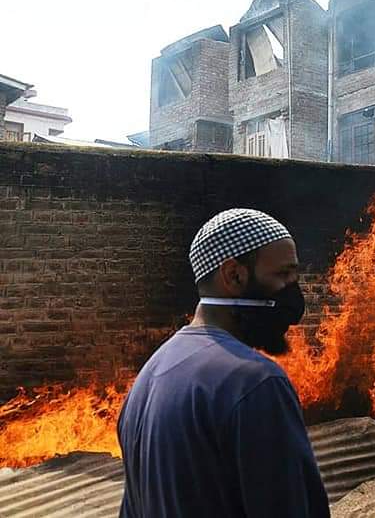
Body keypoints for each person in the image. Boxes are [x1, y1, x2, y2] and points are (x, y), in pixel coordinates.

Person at [117, 208, 330, 517]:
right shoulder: (256, 383)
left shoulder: (148, 377)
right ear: (234, 275)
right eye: (283, 275)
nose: (294, 295)